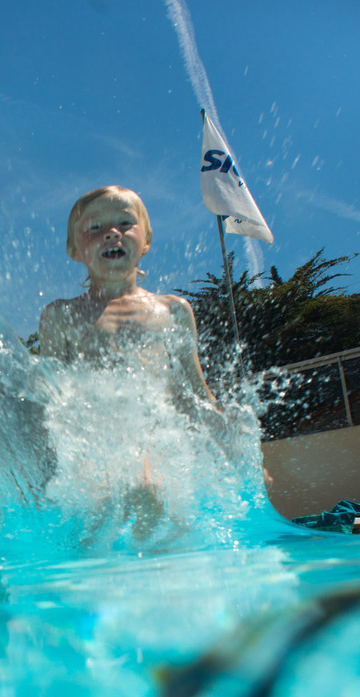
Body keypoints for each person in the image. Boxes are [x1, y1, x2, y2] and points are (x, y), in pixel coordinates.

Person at [38, 186, 221, 537]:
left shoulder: (172, 312)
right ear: (74, 249)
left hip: (158, 442)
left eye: (125, 222)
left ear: (147, 241)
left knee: (148, 496)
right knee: (101, 526)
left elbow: (198, 395)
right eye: (95, 227)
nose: (111, 232)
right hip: (94, 447)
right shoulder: (62, 316)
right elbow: (51, 401)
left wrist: (237, 453)